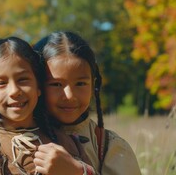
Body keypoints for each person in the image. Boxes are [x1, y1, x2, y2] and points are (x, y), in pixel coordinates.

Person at [0, 37, 95, 175]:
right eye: (1, 83)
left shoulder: (67, 144)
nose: (14, 91)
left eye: (23, 79)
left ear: (38, 87)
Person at [33, 31, 142, 174]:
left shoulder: (109, 147)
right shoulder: (16, 139)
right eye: (56, 84)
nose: (70, 96)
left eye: (80, 83)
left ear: (93, 85)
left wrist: (78, 172)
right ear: (37, 85)